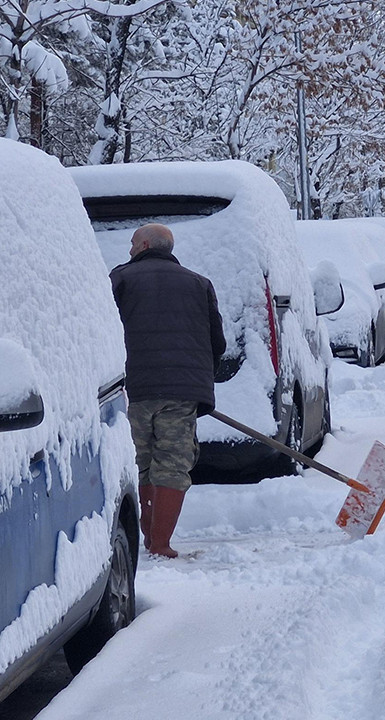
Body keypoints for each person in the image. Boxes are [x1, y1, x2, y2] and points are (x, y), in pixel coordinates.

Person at [110, 223, 225, 558]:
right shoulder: (199, 284)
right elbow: (217, 342)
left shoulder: (119, 280)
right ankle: (159, 542)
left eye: (133, 243)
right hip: (180, 393)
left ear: (146, 244)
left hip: (133, 390)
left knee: (139, 461)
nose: (129, 249)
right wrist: (198, 379)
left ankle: (147, 536)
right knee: (173, 463)